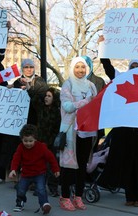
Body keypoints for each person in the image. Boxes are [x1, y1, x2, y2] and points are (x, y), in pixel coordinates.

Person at [97, 35, 138, 207]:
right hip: (126, 132)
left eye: (137, 66)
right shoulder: (122, 79)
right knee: (127, 164)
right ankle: (130, 197)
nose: (134, 69)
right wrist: (103, 47)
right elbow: (108, 68)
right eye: (132, 66)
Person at [58, 56, 97, 211]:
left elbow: (96, 105)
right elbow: (67, 107)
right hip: (70, 131)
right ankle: (65, 197)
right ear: (72, 68)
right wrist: (86, 101)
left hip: (87, 131)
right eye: (77, 67)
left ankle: (78, 196)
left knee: (82, 165)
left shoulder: (91, 86)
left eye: (83, 67)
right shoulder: (67, 85)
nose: (80, 70)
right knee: (68, 166)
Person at [9, 124, 60, 214]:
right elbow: (16, 158)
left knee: (41, 189)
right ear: (21, 139)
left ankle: (44, 204)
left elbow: (51, 158)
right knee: (20, 189)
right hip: (26, 173)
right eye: (25, 141)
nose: (28, 143)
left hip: (39, 173)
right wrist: (13, 169)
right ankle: (20, 203)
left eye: (30, 141)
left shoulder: (41, 147)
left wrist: (56, 169)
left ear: (35, 139)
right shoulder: (21, 147)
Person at [36, 87, 61, 197]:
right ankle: (39, 188)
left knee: (52, 166)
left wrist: (50, 142)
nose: (46, 98)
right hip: (41, 142)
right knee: (40, 166)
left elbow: (56, 129)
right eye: (46, 96)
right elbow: (34, 98)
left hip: (51, 144)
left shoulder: (57, 112)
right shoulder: (41, 109)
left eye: (49, 96)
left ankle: (53, 188)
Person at [13, 59, 48, 125]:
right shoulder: (17, 82)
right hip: (19, 120)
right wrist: (9, 89)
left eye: (31, 67)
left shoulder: (40, 82)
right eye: (26, 67)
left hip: (36, 119)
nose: (29, 69)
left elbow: (41, 101)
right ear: (22, 68)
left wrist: (29, 89)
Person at [82, 55, 106, 151]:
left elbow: (103, 100)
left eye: (85, 66)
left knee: (92, 148)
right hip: (79, 119)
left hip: (94, 119)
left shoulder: (99, 81)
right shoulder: (73, 82)